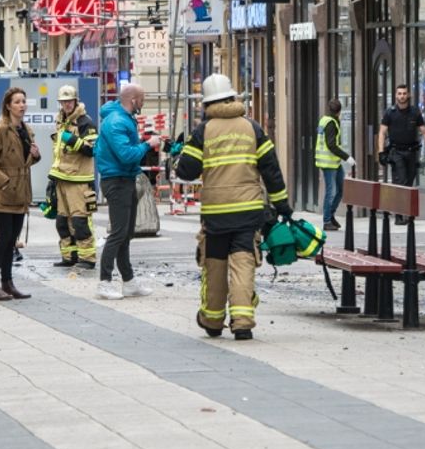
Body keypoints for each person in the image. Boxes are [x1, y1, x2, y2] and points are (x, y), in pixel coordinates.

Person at [176, 74, 292, 340]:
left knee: (214, 265)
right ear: (232, 97)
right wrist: (281, 204)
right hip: (248, 210)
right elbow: (271, 169)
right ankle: (242, 322)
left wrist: (183, 153)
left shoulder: (202, 131)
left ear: (207, 103)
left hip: (216, 213)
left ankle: (212, 320)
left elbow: (187, 171)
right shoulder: (252, 128)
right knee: (243, 263)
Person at [95, 83, 160, 299]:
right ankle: (104, 282)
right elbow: (126, 155)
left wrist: (143, 144)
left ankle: (129, 281)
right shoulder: (117, 122)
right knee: (118, 234)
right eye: (142, 99)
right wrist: (148, 145)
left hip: (125, 178)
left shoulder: (123, 118)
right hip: (117, 180)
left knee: (126, 234)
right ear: (133, 100)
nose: (143, 103)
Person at [0, 87, 41, 300]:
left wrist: (35, 155)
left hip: (21, 192)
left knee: (11, 241)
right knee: (3, 238)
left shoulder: (26, 130)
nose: (22, 105)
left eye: (24, 101)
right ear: (8, 106)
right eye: (17, 102)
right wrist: (4, 182)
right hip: (2, 194)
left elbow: (25, 160)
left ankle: (8, 283)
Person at [48, 84, 98, 269]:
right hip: (61, 178)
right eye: (63, 102)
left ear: (75, 101)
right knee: (62, 222)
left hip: (79, 181)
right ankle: (69, 257)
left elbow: (92, 149)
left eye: (69, 101)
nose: (66, 105)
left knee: (80, 221)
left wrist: (73, 140)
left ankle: (88, 258)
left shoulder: (86, 122)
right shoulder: (60, 121)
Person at [378, 84, 425, 223]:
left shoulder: (415, 112)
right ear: (396, 95)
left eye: (404, 93)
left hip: (411, 152)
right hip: (396, 152)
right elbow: (382, 132)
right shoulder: (389, 113)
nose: (402, 96)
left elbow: (424, 131)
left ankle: (403, 213)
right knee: (401, 181)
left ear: (408, 95)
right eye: (399, 93)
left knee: (408, 183)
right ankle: (399, 216)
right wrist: (380, 152)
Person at [315, 98, 355, 231]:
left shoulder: (325, 120)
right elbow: (331, 145)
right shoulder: (330, 123)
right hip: (328, 163)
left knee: (341, 189)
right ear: (339, 111)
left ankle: (330, 215)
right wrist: (347, 157)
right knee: (331, 192)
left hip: (334, 162)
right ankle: (327, 220)